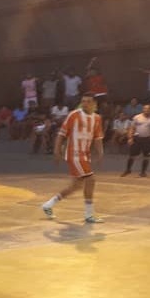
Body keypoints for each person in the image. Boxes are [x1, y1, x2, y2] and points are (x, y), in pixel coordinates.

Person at [41, 93, 104, 223]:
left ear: (94, 104)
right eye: (83, 101)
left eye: (88, 101)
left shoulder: (97, 118)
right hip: (74, 153)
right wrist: (56, 151)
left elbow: (98, 138)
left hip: (85, 155)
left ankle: (48, 205)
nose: (85, 104)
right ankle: (89, 215)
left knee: (76, 186)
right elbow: (61, 134)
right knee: (90, 180)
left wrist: (100, 153)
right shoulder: (74, 115)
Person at [123, 104, 150, 177]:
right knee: (132, 155)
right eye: (145, 109)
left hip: (147, 139)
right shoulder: (137, 117)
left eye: (148, 109)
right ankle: (128, 170)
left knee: (146, 156)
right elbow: (132, 128)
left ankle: (143, 172)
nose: (146, 110)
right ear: (143, 109)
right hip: (137, 138)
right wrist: (130, 138)